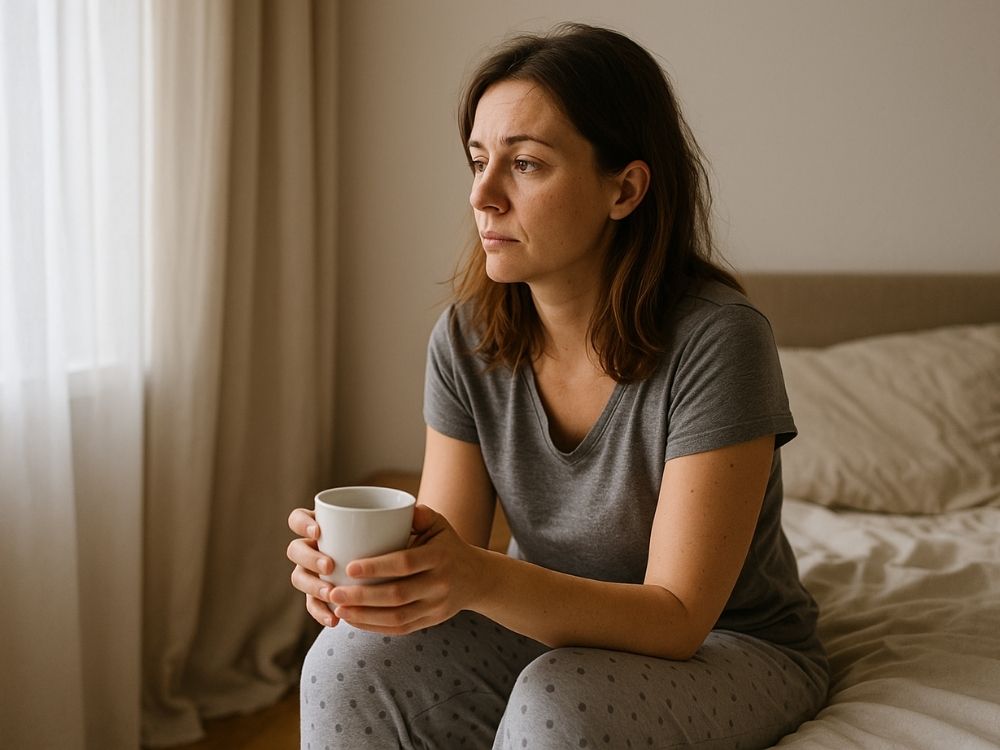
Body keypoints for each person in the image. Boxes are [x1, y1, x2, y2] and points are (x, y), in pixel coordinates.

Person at [288, 22, 828, 749]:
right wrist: (375, 578)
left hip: (727, 645)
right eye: (479, 160)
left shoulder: (719, 340)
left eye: (527, 164)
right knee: (345, 662)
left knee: (558, 704)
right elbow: (448, 545)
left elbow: (677, 617)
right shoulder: (465, 338)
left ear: (626, 189)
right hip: (542, 627)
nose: (484, 195)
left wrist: (476, 579)